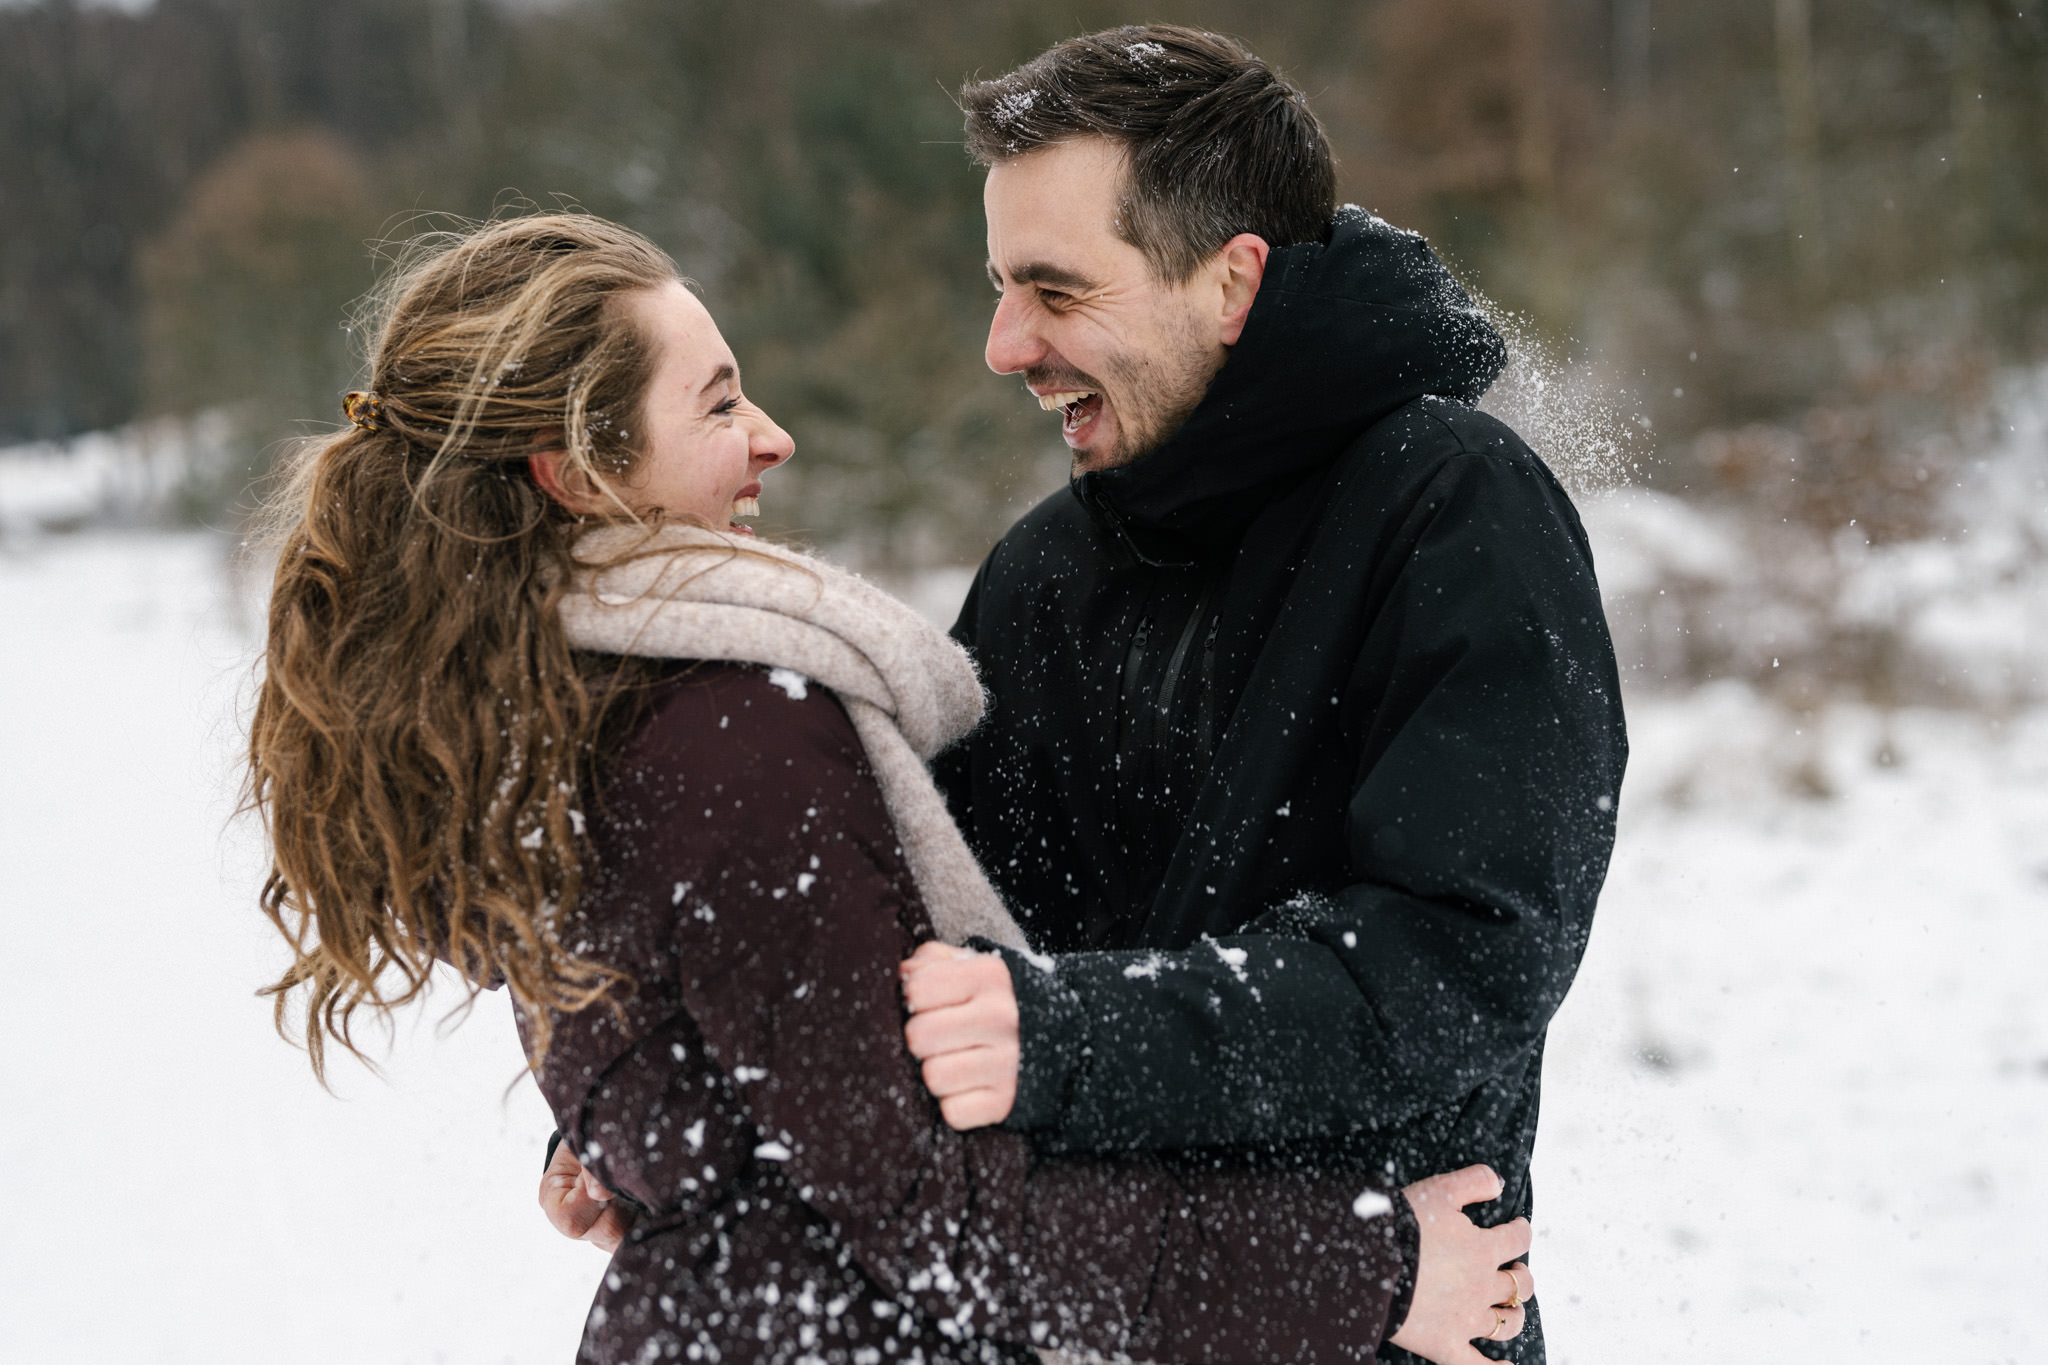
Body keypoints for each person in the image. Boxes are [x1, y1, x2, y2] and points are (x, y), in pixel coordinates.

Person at [247, 212, 1537, 1365]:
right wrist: (1374, 1274)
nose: (773, 437)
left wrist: (657, 1131)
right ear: (579, 475)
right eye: (714, 406)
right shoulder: (727, 734)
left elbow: (734, 1040)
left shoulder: (548, 708)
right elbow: (937, 1212)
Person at [550, 26, 1625, 1365]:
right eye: (999, 287)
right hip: (1094, 1313)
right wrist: (660, 1091)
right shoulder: (1048, 570)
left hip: (1393, 1314)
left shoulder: (1456, 511)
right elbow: (876, 909)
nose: (1005, 345)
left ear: (1229, 283)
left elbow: (1466, 964)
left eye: (1053, 290)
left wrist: (1076, 1037)